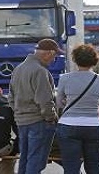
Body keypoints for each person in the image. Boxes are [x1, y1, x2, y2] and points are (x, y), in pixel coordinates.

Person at [9, 38, 60, 174]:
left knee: (24, 158)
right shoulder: (40, 71)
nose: (54, 60)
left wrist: (18, 113)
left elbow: (11, 98)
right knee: (36, 160)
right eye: (54, 56)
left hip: (21, 121)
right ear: (48, 53)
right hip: (39, 121)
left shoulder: (18, 69)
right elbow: (45, 100)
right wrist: (51, 117)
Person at [56, 44, 99, 174]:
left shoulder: (65, 78)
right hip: (94, 125)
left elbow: (59, 103)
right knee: (94, 166)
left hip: (69, 125)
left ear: (75, 59)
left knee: (71, 167)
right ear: (94, 60)